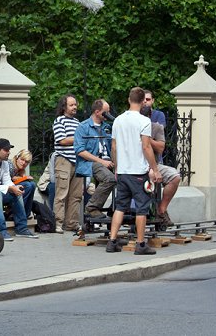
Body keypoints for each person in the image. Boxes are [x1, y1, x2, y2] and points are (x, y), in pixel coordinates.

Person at [107, 87, 162, 255]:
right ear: (142, 101)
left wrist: (116, 166)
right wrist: (155, 169)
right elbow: (146, 147)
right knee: (141, 208)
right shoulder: (143, 121)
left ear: (129, 100)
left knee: (120, 207)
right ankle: (140, 244)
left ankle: (112, 241)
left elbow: (114, 147)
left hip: (122, 171)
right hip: (138, 172)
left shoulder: (118, 120)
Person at [140, 105, 182, 227]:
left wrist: (146, 138)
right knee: (151, 176)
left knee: (175, 176)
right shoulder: (132, 127)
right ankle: (145, 211)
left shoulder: (156, 127)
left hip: (154, 164)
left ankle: (161, 210)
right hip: (138, 164)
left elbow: (160, 148)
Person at [74, 99, 116, 219]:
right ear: (97, 112)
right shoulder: (83, 127)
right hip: (90, 162)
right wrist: (102, 161)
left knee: (127, 178)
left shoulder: (107, 127)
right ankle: (92, 207)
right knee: (109, 179)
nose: (108, 114)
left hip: (107, 161)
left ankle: (118, 208)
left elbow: (113, 147)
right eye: (105, 112)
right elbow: (80, 150)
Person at [52, 94, 83, 233]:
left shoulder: (77, 122)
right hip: (64, 160)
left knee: (76, 195)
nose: (74, 107)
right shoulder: (59, 121)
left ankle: (72, 223)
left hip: (78, 161)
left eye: (75, 104)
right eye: (71, 105)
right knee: (61, 194)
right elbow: (61, 140)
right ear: (64, 107)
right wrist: (78, 138)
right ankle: (58, 223)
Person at [8, 149, 37, 221]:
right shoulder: (10, 165)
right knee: (27, 185)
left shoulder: (21, 169)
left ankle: (26, 214)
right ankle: (17, 213)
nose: (24, 163)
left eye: (26, 162)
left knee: (32, 184)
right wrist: (23, 178)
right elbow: (8, 180)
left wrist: (24, 178)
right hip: (6, 189)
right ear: (17, 158)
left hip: (14, 188)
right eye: (22, 159)